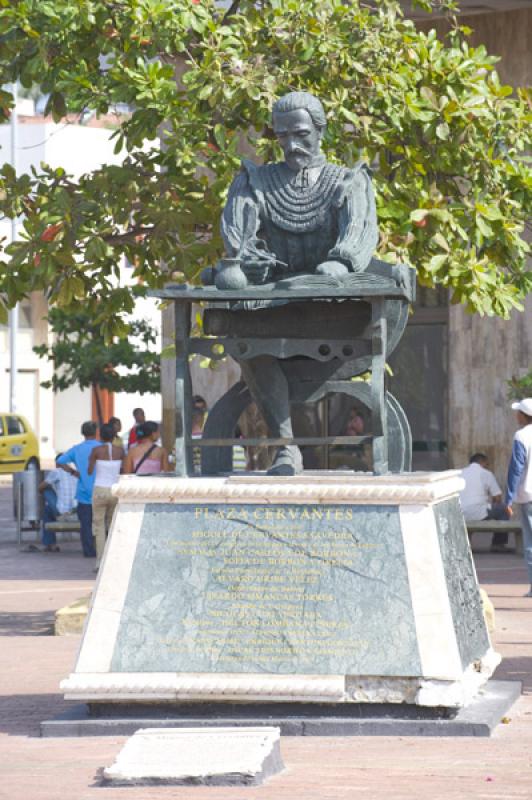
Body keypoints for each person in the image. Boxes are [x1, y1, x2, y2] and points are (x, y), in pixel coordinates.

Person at [203, 91, 398, 475]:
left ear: (320, 130)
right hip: (271, 310)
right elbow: (239, 243)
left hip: (335, 311)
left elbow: (356, 238)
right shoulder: (254, 182)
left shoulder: (348, 181)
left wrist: (340, 265)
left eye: (301, 134)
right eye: (282, 136)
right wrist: (249, 261)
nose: (292, 144)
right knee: (246, 338)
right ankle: (286, 447)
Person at [56, 421, 100, 558]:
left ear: (83, 433)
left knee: (86, 525)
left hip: (83, 492)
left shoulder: (76, 449)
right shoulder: (102, 447)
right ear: (96, 432)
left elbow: (60, 461)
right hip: (101, 490)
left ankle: (88, 551)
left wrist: (73, 472)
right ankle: (102, 549)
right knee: (101, 523)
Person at [504, 398, 532, 597]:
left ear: (523, 415)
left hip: (527, 495)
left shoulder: (521, 436)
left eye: (518, 412)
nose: (516, 415)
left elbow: (516, 469)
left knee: (530, 543)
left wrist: (509, 498)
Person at [88, 422, 124, 570]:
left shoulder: (96, 450)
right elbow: (125, 470)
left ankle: (100, 561)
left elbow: (89, 470)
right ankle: (114, 559)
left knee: (99, 526)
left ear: (100, 435)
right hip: (115, 490)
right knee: (112, 524)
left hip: (100, 490)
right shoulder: (120, 451)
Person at [459, 452, 510, 552]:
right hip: (479, 512)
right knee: (504, 509)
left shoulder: (459, 473)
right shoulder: (485, 473)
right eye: (487, 464)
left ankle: (466, 543)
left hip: (460, 512)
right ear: (482, 462)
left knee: (470, 509)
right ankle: (498, 543)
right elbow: (498, 498)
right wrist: (491, 503)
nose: (487, 466)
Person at [38, 455, 78, 552]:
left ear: (58, 463)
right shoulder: (77, 473)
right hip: (77, 510)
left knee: (46, 491)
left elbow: (40, 487)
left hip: (62, 511)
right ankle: (50, 543)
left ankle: (50, 544)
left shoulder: (56, 472)